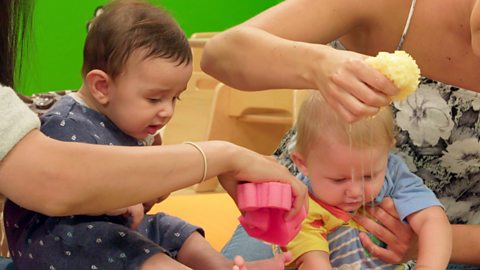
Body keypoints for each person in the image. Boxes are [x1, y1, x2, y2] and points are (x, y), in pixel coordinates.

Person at [0, 0, 307, 269]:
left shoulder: (129, 124)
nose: (167, 111)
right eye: (154, 99)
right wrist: (114, 201)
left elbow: (141, 197)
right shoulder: (67, 123)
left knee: (173, 230)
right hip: (57, 240)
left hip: (113, 227)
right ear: (102, 87)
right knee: (133, 250)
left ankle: (224, 266)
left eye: (176, 98)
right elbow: (64, 185)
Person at [201, 0, 480, 268]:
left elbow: (432, 233)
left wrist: (426, 245)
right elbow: (221, 54)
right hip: (301, 211)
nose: (355, 190)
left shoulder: (402, 184)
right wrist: (317, 64)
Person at [282, 91, 451, 269]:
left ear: (386, 153)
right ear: (303, 163)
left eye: (368, 176)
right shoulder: (300, 202)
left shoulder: (391, 174)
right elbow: (313, 260)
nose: (355, 192)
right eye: (339, 180)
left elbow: (432, 220)